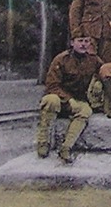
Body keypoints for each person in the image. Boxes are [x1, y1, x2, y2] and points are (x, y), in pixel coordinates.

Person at [36, 36, 100, 164]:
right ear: (72, 43)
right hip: (59, 98)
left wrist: (98, 83)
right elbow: (52, 85)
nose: (83, 45)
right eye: (80, 41)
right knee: (50, 101)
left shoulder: (93, 60)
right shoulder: (61, 59)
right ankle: (43, 142)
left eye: (86, 41)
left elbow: (103, 70)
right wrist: (68, 99)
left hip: (78, 100)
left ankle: (66, 147)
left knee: (86, 111)